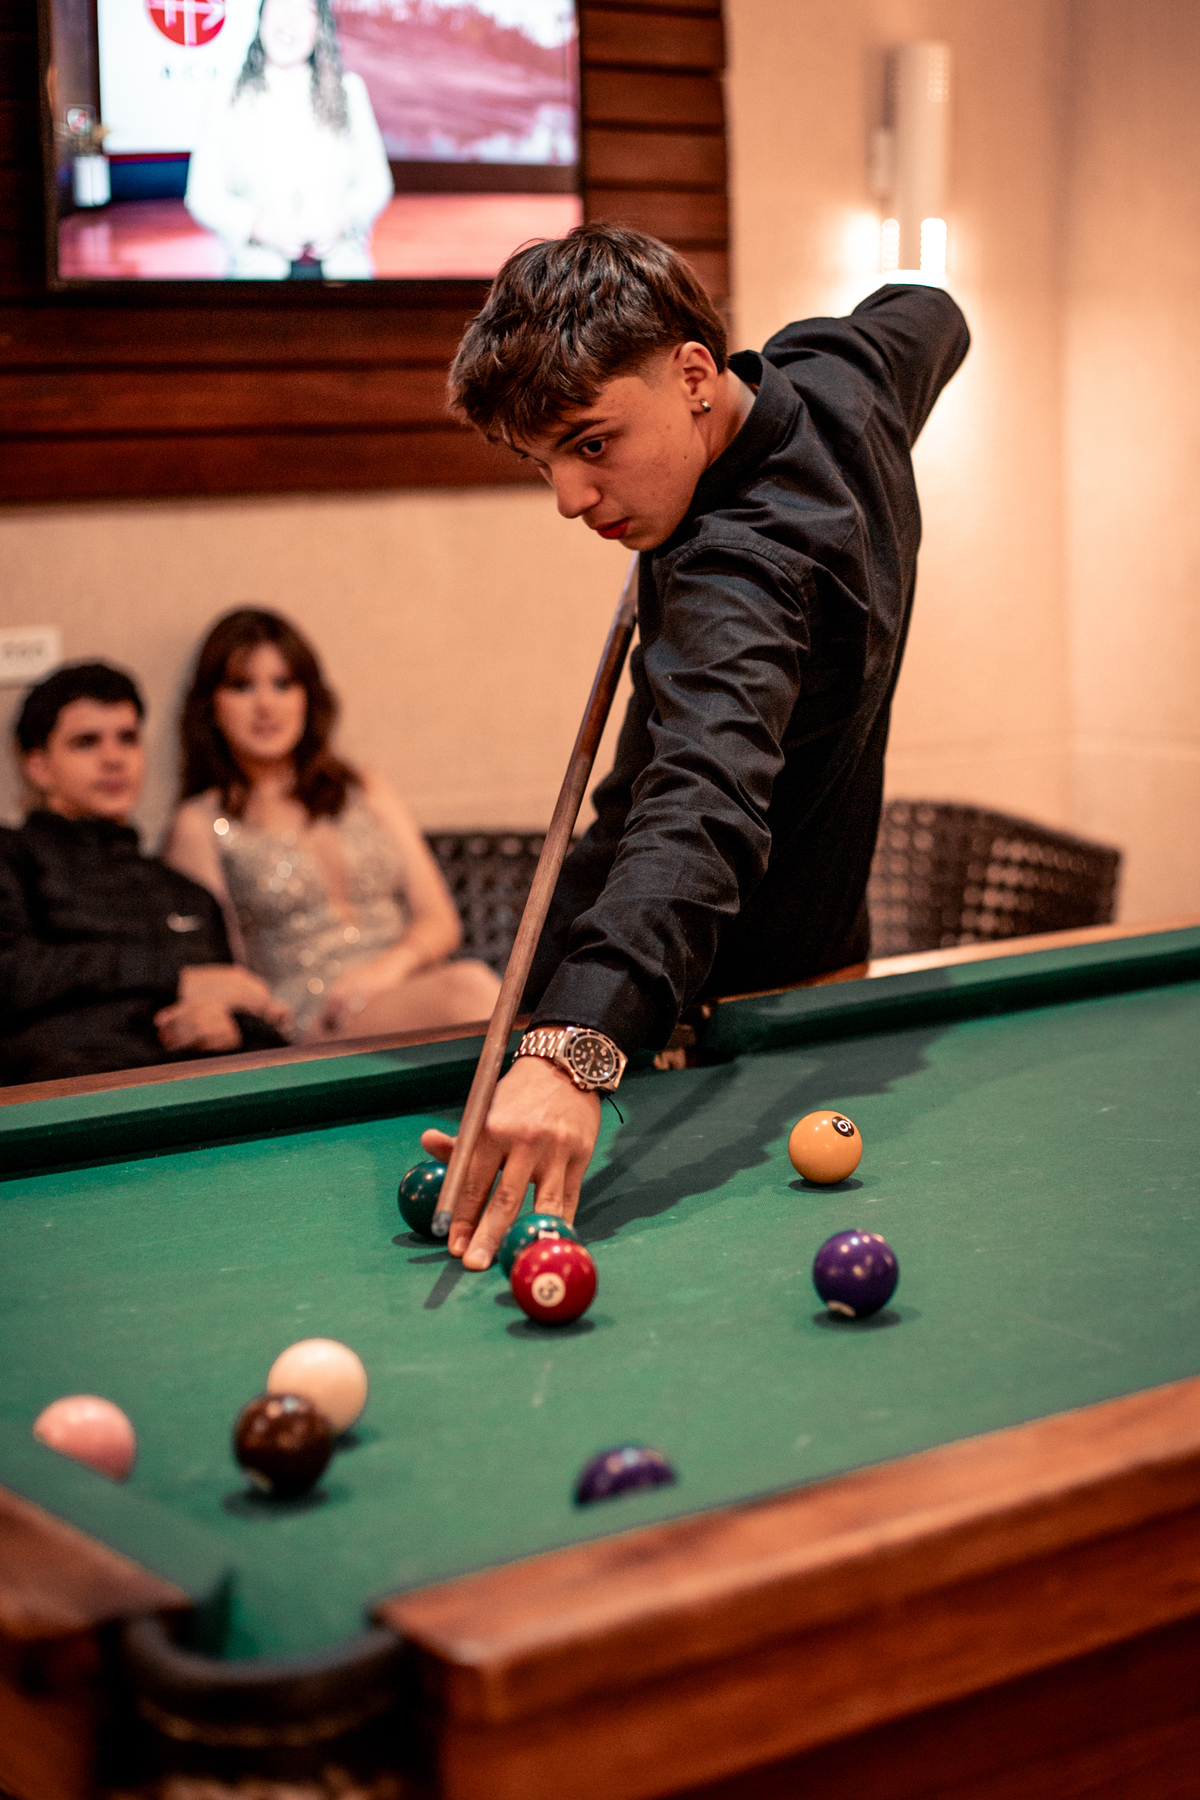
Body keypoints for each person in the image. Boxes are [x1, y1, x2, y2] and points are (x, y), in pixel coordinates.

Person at [421, 223, 970, 1269]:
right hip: (788, 957)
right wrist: (542, 1016)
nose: (568, 499)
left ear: (691, 376)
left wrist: (576, 1052)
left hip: (709, 1008)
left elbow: (699, 809)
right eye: (543, 462)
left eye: (591, 444)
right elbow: (931, 314)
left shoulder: (740, 578)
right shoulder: (840, 373)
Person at [166, 609, 500, 1041]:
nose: (266, 705)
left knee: (476, 988)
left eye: (283, 684)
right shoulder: (200, 823)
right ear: (210, 705)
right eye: (242, 686)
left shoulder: (363, 789)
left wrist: (386, 971)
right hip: (312, 1019)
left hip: (409, 986)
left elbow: (440, 920)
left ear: (308, 696)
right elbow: (224, 970)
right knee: (471, 988)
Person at [0, 664, 290, 1087]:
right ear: (38, 766)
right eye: (86, 742)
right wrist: (175, 978)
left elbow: (256, 1023)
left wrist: (231, 1032)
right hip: (71, 1096)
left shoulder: (186, 893)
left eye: (128, 738)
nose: (114, 759)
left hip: (197, 1093)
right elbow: (9, 976)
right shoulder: (13, 857)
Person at [185, 0, 392, 280]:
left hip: (342, 274)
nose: (289, 18)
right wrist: (257, 226)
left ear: (320, 26)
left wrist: (343, 219)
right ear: (261, 17)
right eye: (280, 4)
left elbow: (377, 184)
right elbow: (203, 196)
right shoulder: (225, 96)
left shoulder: (350, 91)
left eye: (304, 10)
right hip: (258, 277)